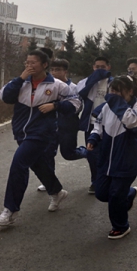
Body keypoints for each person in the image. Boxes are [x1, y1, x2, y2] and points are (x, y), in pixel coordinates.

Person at [0, 50, 81, 226]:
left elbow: (76, 104)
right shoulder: (20, 82)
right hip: (21, 132)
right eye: (27, 62)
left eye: (33, 63)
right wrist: (20, 78)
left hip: (42, 133)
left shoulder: (57, 85)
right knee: (38, 165)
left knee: (19, 164)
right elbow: (4, 97)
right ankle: (56, 191)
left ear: (44, 65)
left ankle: (10, 210)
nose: (29, 66)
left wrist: (55, 106)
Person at [86, 75, 137, 239]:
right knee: (101, 193)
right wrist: (93, 137)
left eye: (118, 91)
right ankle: (129, 193)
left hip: (127, 159)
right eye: (111, 90)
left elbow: (130, 122)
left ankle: (120, 226)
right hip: (107, 158)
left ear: (130, 91)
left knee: (115, 194)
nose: (113, 94)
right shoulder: (107, 107)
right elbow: (98, 124)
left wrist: (115, 101)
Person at [37, 58, 87, 192]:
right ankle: (49, 181)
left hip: (68, 126)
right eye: (52, 70)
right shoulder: (48, 86)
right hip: (50, 127)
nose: (54, 72)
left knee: (68, 154)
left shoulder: (73, 88)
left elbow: (77, 107)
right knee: (47, 154)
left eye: (58, 70)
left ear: (65, 71)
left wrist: (58, 107)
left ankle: (86, 152)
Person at [76, 57, 113, 194]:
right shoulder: (85, 82)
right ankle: (95, 181)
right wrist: (92, 80)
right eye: (97, 67)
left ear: (108, 67)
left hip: (109, 124)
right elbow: (80, 94)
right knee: (92, 154)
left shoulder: (114, 82)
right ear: (93, 67)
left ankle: (108, 180)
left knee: (108, 153)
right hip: (91, 124)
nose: (99, 70)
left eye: (102, 67)